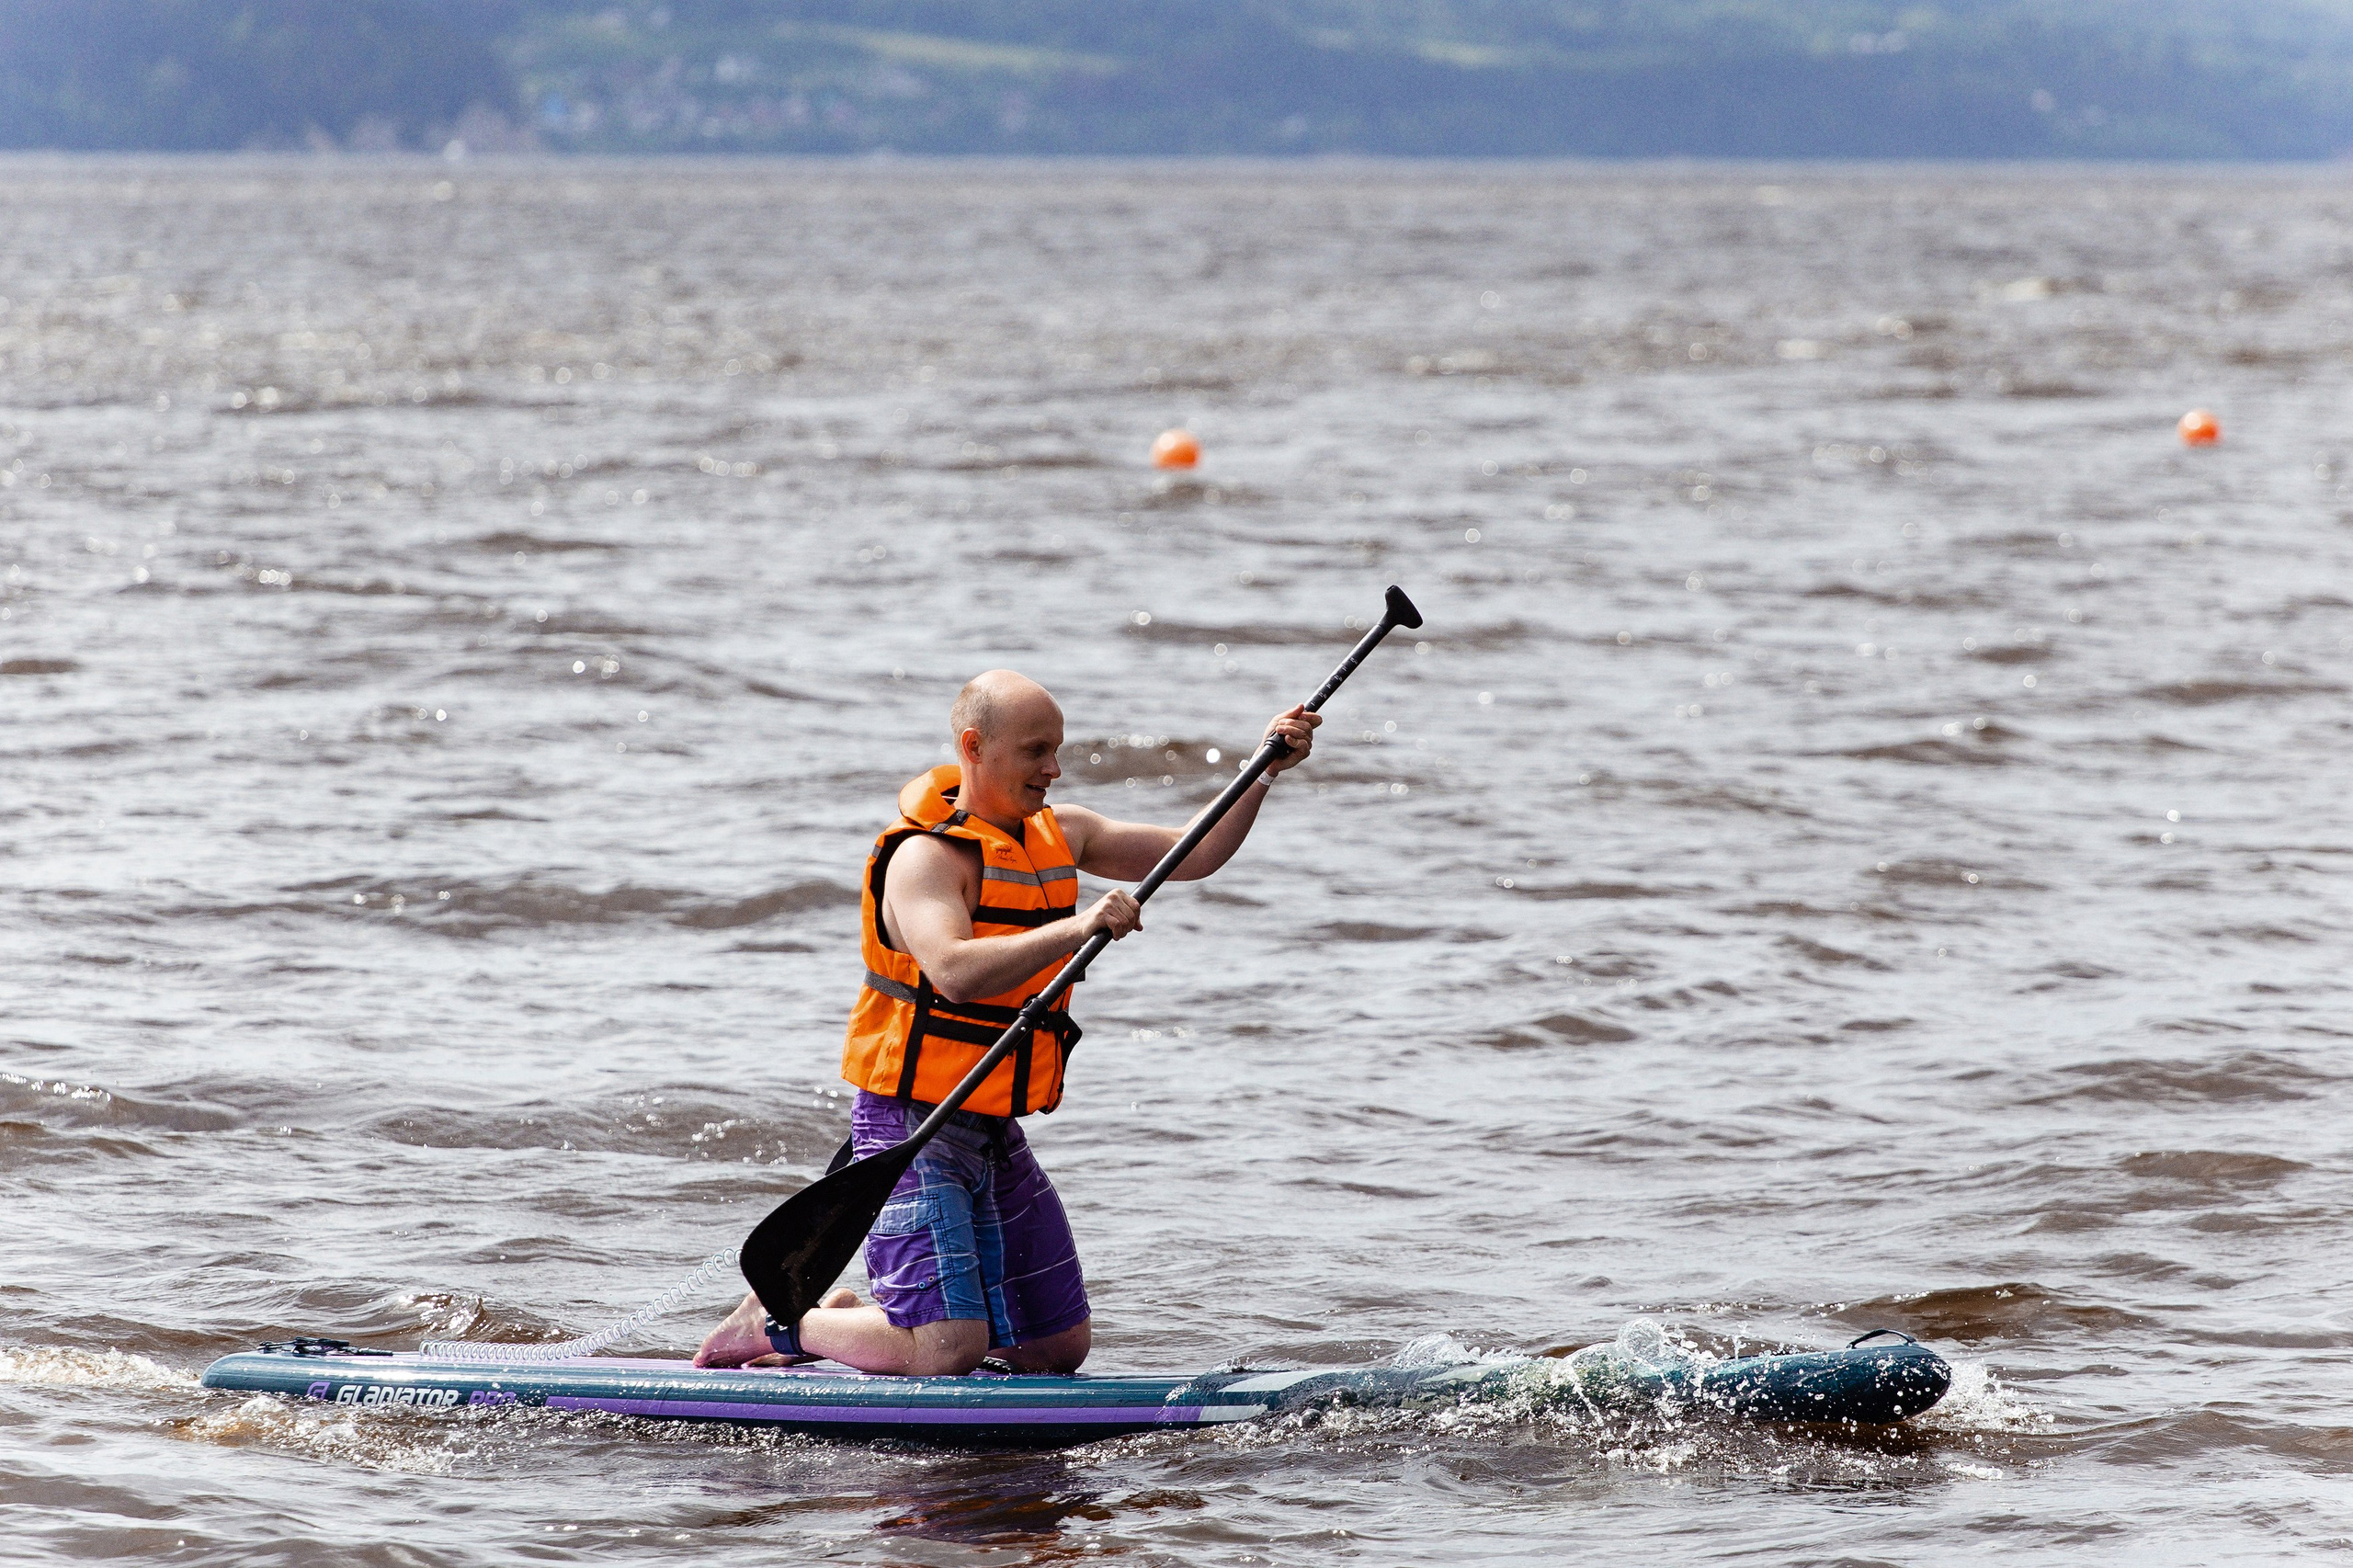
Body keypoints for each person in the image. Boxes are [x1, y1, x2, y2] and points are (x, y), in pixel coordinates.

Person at [696, 669, 1318, 1374]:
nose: (1053, 768)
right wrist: (1078, 927)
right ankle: (787, 1324)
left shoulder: (1064, 833)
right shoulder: (924, 858)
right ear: (974, 746)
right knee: (946, 1351)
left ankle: (850, 1321)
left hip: (987, 1122)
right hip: (911, 1126)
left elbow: (1194, 852)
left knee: (1055, 1348)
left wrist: (1263, 771)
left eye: (1057, 749)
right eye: (1034, 751)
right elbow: (954, 972)